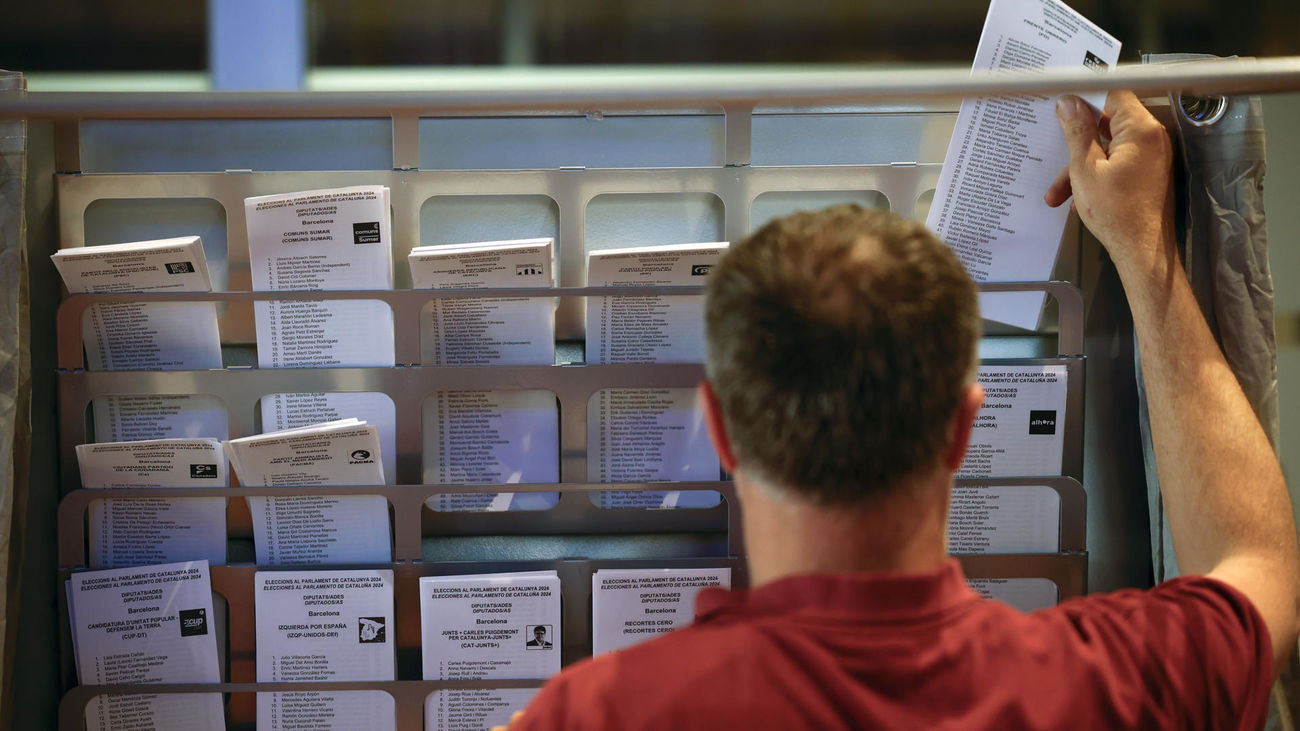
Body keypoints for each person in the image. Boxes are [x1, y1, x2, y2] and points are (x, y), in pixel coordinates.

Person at [499, 91, 1300, 729]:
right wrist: (1137, 240)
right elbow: (1259, 564)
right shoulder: (1114, 684)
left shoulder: (599, 714)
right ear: (962, 427)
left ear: (720, 430)